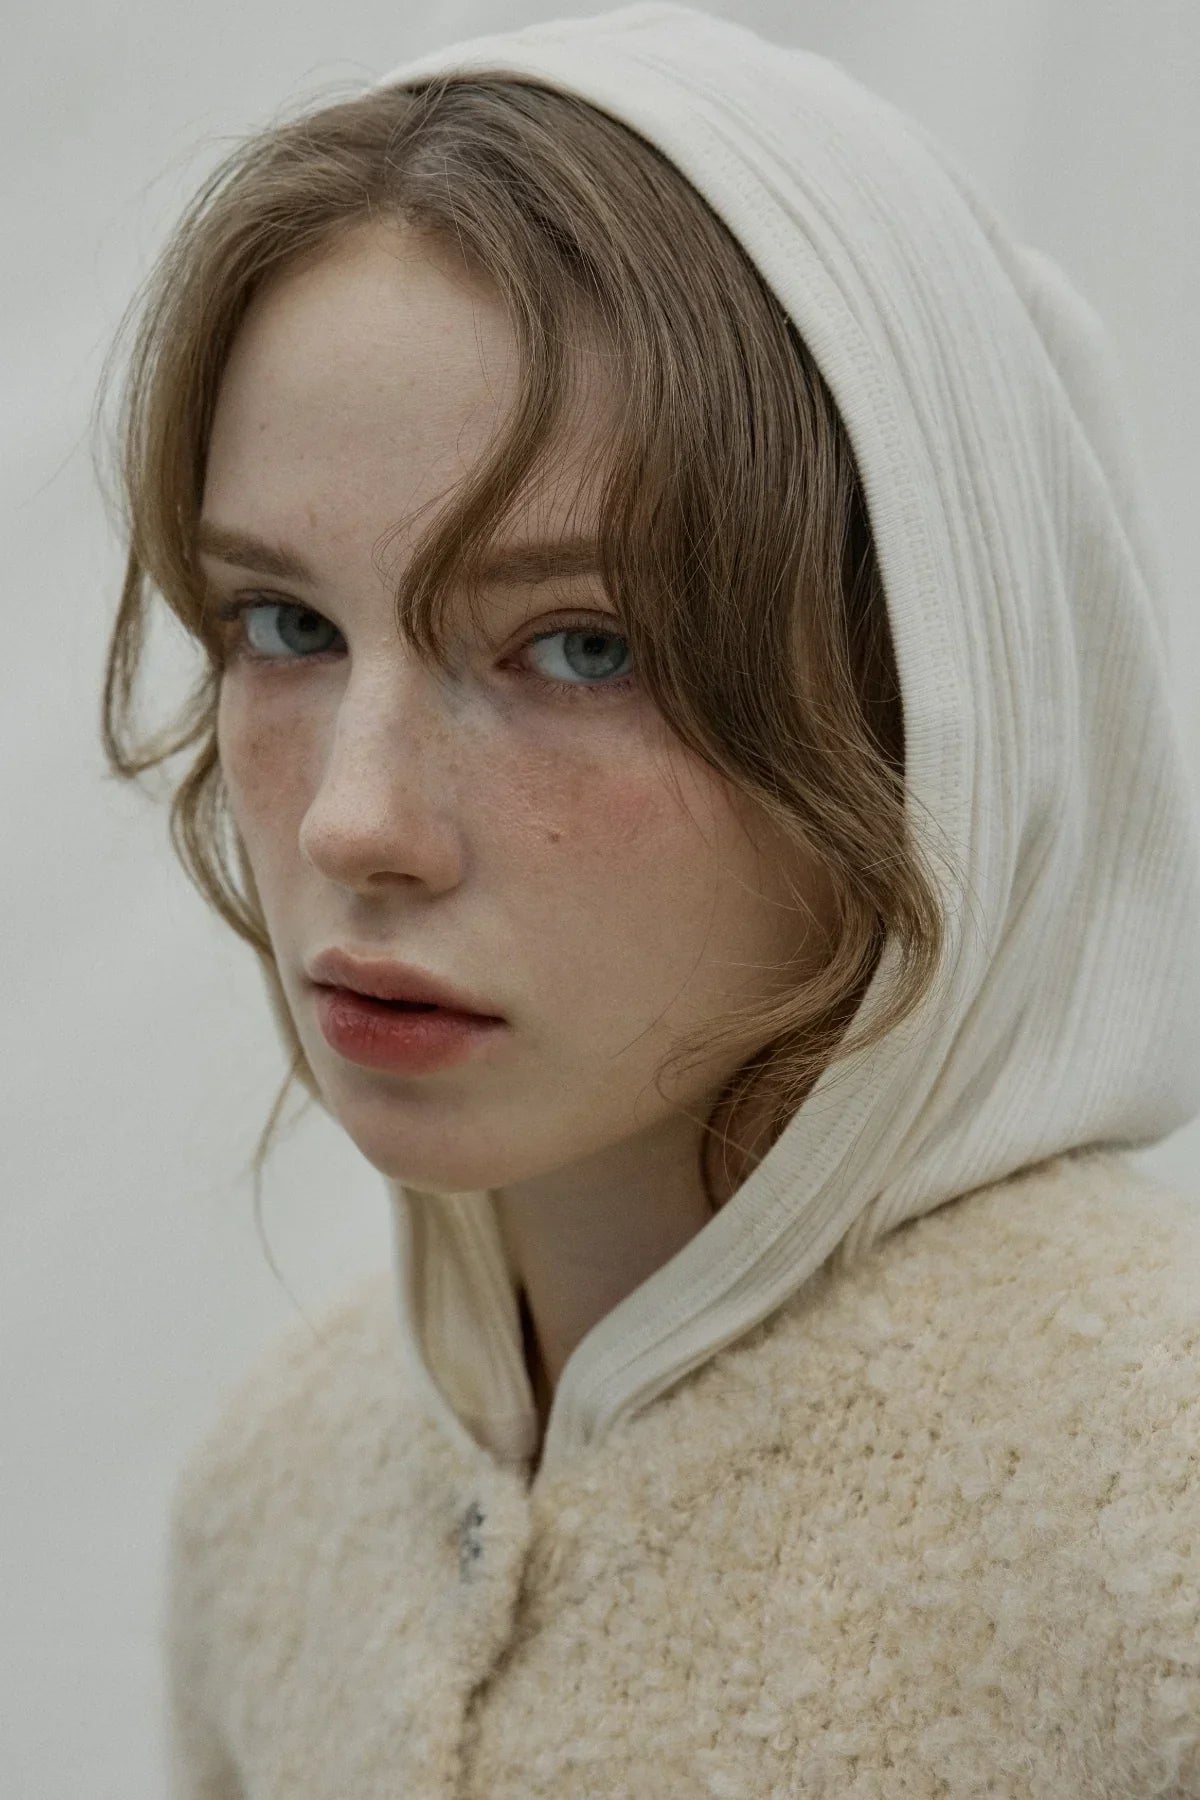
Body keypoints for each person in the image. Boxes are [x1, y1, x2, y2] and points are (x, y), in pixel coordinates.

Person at [95, 6, 1200, 1795]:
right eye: (285, 626)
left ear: (928, 693)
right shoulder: (279, 1493)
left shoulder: (1162, 1522)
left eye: (579, 646)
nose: (358, 824)